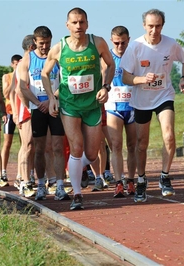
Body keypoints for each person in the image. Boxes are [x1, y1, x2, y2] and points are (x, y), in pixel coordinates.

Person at [41, 7, 115, 210]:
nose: (78, 26)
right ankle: (78, 194)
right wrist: (51, 97)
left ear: (87, 24)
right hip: (69, 105)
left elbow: (110, 65)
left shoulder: (97, 42)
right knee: (76, 147)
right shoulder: (59, 48)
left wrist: (106, 87)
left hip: (92, 105)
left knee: (91, 154)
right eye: (74, 22)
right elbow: (45, 74)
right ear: (67, 25)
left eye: (82, 22)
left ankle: (77, 166)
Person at [121, 9, 184, 202]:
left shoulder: (171, 44)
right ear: (144, 26)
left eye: (158, 26)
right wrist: (142, 79)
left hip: (164, 95)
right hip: (141, 100)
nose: (154, 30)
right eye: (150, 26)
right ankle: (142, 181)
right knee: (141, 144)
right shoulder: (135, 46)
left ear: (163, 25)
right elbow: (125, 76)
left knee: (168, 135)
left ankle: (164, 176)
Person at [15, 26, 69, 201]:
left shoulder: (58, 57)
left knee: (57, 147)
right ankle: (40, 185)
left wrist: (51, 99)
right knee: (38, 149)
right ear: (35, 42)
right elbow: (23, 87)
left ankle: (59, 185)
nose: (45, 47)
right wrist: (38, 103)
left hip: (54, 107)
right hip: (38, 109)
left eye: (47, 43)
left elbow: (66, 81)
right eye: (41, 43)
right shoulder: (27, 60)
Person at [104, 26, 137, 198]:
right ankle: (118, 182)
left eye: (123, 42)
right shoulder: (107, 58)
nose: (120, 46)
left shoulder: (134, 55)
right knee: (116, 145)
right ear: (112, 41)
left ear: (128, 40)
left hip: (132, 106)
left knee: (133, 146)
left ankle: (131, 180)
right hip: (113, 106)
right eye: (116, 43)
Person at [10, 35, 37, 197]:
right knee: (27, 144)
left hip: (32, 106)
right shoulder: (22, 64)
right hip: (26, 108)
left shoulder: (35, 61)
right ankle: (23, 180)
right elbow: (16, 90)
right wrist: (17, 111)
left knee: (33, 145)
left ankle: (25, 176)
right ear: (31, 47)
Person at [1, 54, 22, 182]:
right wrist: (15, 75)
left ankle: (21, 173)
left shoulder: (23, 74)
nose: (16, 66)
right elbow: (6, 93)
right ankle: (3, 171)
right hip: (10, 111)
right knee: (7, 142)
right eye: (15, 64)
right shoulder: (6, 76)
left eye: (18, 64)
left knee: (23, 143)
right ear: (12, 64)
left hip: (20, 111)